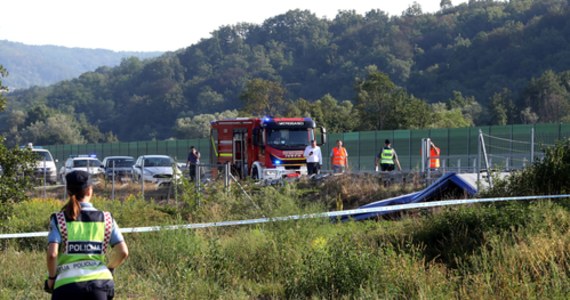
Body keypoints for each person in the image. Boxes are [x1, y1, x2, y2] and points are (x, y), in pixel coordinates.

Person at [46, 170, 128, 299]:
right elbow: (123, 252)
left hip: (66, 287)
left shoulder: (59, 219)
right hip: (100, 285)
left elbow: (52, 254)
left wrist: (51, 278)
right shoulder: (107, 218)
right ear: (90, 190)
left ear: (68, 192)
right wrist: (109, 268)